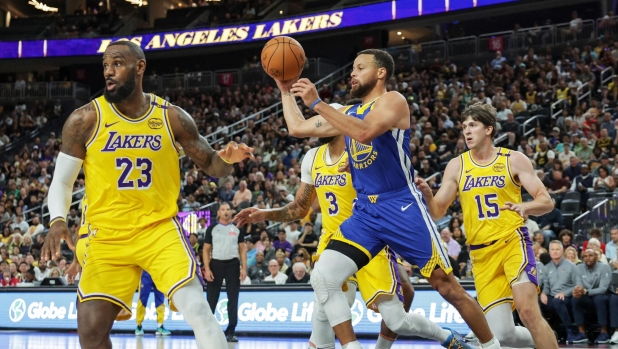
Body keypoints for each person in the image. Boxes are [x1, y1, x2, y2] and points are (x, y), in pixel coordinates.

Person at [41, 41, 253, 349]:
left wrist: (228, 160)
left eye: (117, 64)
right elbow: (61, 181)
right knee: (90, 333)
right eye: (105, 66)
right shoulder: (84, 120)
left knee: (198, 310)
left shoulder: (171, 117)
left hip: (158, 230)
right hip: (107, 234)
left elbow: (211, 164)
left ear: (140, 67)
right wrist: (57, 220)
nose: (109, 72)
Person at [276, 49, 489, 348]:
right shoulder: (348, 114)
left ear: (380, 73)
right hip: (365, 212)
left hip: (400, 205)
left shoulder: (393, 101)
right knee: (323, 276)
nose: (352, 73)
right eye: (352, 68)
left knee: (447, 287)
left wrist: (317, 102)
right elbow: (297, 128)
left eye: (360, 67)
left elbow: (364, 133)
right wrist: (285, 90)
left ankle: (489, 345)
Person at [235, 129, 430, 349]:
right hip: (336, 242)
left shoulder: (368, 154)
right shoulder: (316, 157)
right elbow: (306, 207)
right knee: (327, 310)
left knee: (406, 291)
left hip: (370, 237)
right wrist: (267, 213)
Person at [416, 102, 558, 348]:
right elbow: (438, 213)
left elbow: (547, 201)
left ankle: (543, 337)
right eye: (463, 126)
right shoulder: (457, 165)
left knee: (528, 313)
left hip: (512, 241)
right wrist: (428, 195)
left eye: (473, 125)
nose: (466, 131)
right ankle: (543, 341)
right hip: (481, 254)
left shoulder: (513, 160)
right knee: (503, 335)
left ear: (489, 129)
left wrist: (526, 207)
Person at [203, 202, 247, 342]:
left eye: (228, 209)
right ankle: (207, 330)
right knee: (211, 298)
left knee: (233, 298)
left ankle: (231, 330)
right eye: (223, 210)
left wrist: (244, 268)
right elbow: (206, 250)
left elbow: (242, 249)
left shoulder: (237, 228)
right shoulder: (212, 228)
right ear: (219, 212)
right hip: (216, 264)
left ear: (231, 212)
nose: (226, 212)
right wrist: (207, 268)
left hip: (233, 264)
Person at [538, 241, 580, 343]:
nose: (555, 252)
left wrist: (564, 293)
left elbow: (578, 285)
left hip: (568, 297)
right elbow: (547, 286)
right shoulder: (547, 267)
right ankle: (543, 332)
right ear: (549, 251)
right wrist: (543, 293)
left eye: (557, 249)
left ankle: (570, 331)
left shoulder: (571, 266)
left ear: (562, 251)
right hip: (553, 296)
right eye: (552, 249)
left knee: (557, 301)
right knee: (536, 300)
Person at [571, 249, 612, 343]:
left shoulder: (605, 267)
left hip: (603, 296)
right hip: (587, 297)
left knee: (599, 298)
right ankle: (582, 333)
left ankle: (604, 332)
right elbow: (578, 283)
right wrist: (577, 291)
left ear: (596, 257)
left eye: (590, 255)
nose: (587, 258)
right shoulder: (579, 267)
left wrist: (585, 291)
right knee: (575, 299)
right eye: (585, 256)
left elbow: (603, 289)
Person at [135, 270, 171, 336]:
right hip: (145, 273)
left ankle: (160, 326)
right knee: (142, 300)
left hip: (158, 272)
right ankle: (139, 326)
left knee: (160, 300)